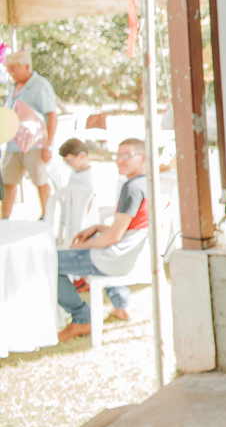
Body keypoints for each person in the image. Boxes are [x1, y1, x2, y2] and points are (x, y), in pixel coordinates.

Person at [55, 139, 151, 342]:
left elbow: (114, 237)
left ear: (142, 158)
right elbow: (129, 229)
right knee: (97, 238)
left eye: (127, 155)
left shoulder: (132, 188)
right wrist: (98, 227)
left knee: (51, 262)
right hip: (130, 255)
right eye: (117, 155)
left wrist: (82, 246)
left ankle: (81, 318)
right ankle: (121, 307)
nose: (120, 160)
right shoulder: (147, 183)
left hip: (113, 259)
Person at [1, 50, 58, 219]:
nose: (11, 72)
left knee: (40, 181)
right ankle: (4, 218)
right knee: (8, 181)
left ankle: (46, 215)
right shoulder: (12, 86)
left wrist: (48, 145)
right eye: (8, 68)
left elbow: (52, 116)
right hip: (14, 143)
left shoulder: (40, 85)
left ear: (26, 66)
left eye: (13, 68)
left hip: (35, 144)